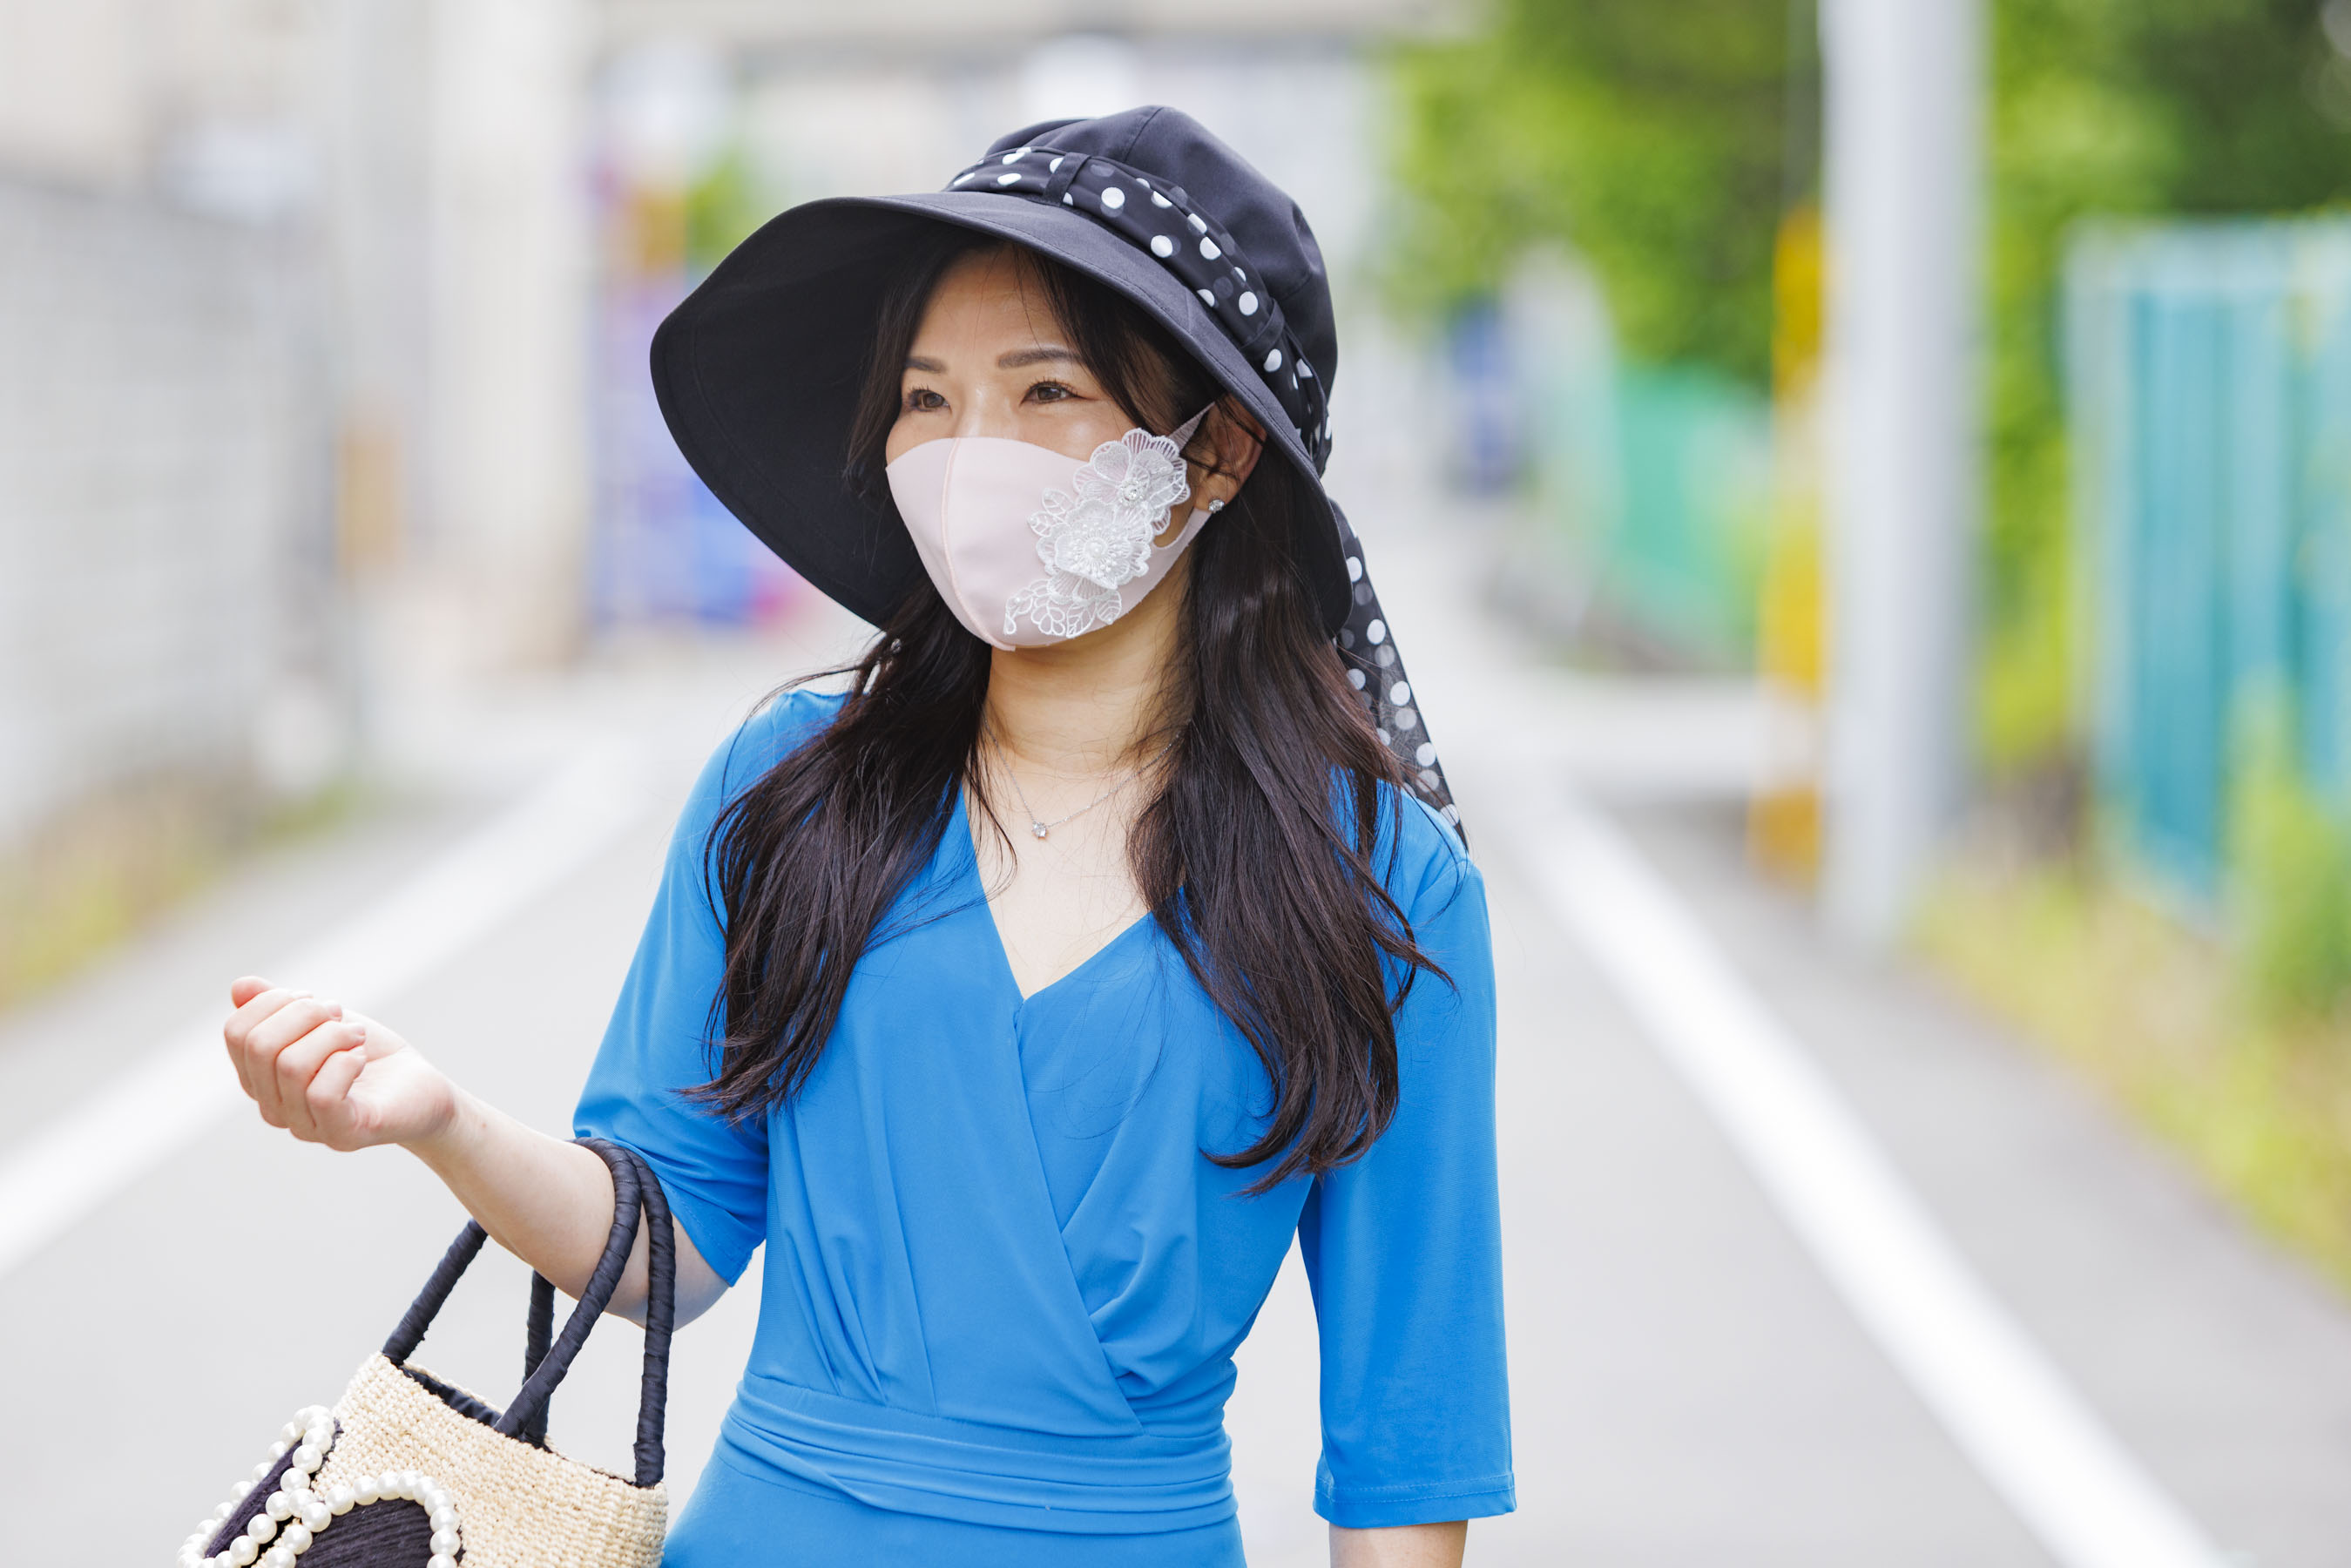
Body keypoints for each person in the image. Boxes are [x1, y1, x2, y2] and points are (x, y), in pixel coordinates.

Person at [220, 106, 1510, 1567]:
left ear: (1212, 457)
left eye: (1046, 394)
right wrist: (441, 1124)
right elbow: (665, 1246)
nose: (970, 454)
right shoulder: (793, 788)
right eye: (924, 400)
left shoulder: (1385, 880)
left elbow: (1408, 1432)